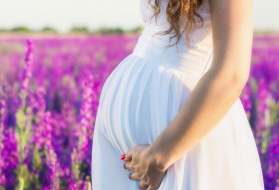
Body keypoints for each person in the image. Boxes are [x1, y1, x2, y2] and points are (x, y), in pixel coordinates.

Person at [91, 0, 265, 189]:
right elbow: (231, 73)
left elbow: (231, 74)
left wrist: (160, 155)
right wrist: (159, 156)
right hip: (165, 138)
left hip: (177, 135)